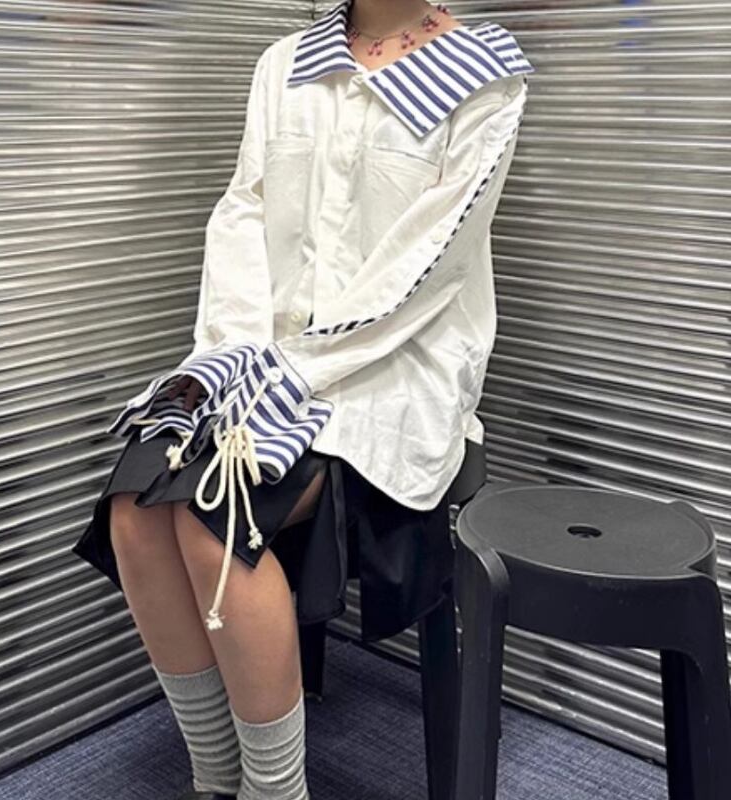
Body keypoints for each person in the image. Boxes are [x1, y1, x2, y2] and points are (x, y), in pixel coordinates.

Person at [71, 1, 535, 798]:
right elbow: (242, 213)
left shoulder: (483, 77)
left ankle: (276, 789)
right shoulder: (285, 63)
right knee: (133, 511)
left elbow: (433, 264)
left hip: (392, 366)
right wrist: (234, 354)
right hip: (262, 349)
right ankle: (216, 776)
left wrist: (299, 371)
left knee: (219, 523)